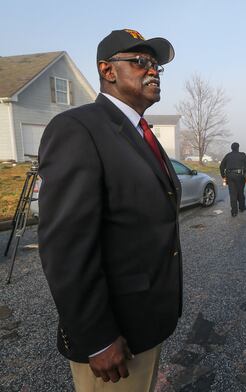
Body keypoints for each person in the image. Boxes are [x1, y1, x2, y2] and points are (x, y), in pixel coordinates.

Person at [38, 29, 180, 391]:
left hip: (146, 324)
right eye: (141, 62)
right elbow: (65, 247)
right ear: (108, 70)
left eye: (157, 66)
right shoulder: (78, 129)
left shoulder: (141, 133)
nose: (153, 71)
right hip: (113, 340)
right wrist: (98, 337)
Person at [220, 142, 246, 217]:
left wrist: (223, 176)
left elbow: (221, 166)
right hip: (240, 176)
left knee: (232, 194)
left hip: (230, 176)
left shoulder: (228, 155)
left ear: (231, 148)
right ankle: (242, 207)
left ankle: (234, 211)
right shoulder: (242, 155)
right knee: (240, 192)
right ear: (238, 147)